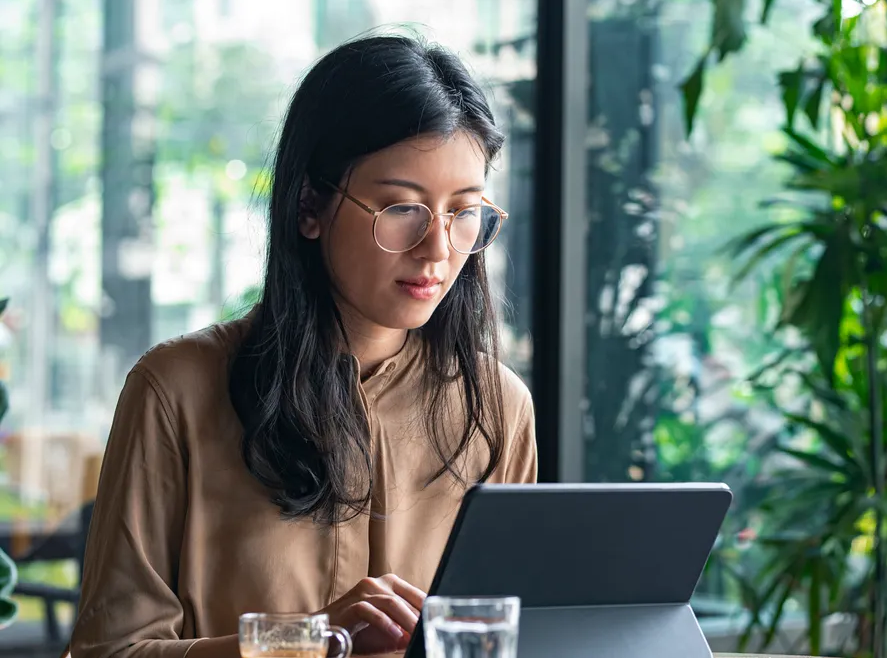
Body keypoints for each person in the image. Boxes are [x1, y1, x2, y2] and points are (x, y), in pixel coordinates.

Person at [68, 34, 537, 658]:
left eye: (465, 211)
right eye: (402, 207)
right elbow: (109, 652)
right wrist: (313, 638)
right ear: (308, 205)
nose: (438, 248)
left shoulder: (498, 407)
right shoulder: (175, 390)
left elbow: (514, 637)